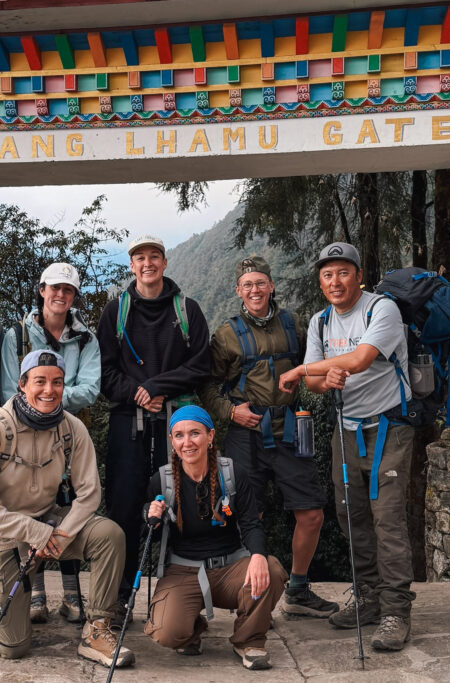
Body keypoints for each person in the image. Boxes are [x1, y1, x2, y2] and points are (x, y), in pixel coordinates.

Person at [0, 350, 133, 668]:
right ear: (22, 384)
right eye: (40, 381)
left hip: (49, 526)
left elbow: (89, 494)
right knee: (13, 646)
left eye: (57, 382)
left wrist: (60, 534)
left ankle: (97, 629)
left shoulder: (71, 429)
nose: (49, 390)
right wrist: (34, 532)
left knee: (109, 534)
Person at [277, 242, 415, 652]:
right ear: (320, 282)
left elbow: (360, 359)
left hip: (388, 426)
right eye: (327, 275)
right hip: (345, 426)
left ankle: (395, 612)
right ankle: (368, 597)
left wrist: (304, 369)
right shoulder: (320, 323)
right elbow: (318, 384)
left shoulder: (381, 310)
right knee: (350, 515)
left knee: (387, 518)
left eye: (342, 272)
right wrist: (321, 378)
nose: (335, 282)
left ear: (358, 275)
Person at [199, 256, 337, 618]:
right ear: (238, 291)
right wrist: (230, 411)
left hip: (291, 428)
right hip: (246, 434)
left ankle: (298, 589)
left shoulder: (293, 325)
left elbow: (316, 363)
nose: (255, 290)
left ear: (271, 286)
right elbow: (208, 385)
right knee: (246, 512)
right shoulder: (226, 335)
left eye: (260, 283)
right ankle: (249, 597)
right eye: (247, 285)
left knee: (311, 513)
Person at [97, 234, 211, 617]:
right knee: (124, 509)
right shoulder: (116, 312)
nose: (148, 263)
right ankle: (119, 599)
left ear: (165, 263)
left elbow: (200, 365)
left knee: (182, 506)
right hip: (128, 421)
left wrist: (154, 388)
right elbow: (105, 375)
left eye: (155, 256)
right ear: (132, 265)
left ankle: (179, 600)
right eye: (140, 257)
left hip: (176, 423)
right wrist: (140, 394)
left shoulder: (187, 310)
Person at [144, 405, 287, 670]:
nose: (187, 442)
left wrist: (257, 555)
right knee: (167, 632)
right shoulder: (161, 481)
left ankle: (249, 640)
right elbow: (149, 538)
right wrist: (150, 516)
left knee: (272, 569)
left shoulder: (232, 474)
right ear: (171, 440)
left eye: (195, 433)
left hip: (230, 566)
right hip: (183, 569)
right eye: (179, 435)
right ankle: (192, 626)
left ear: (210, 436)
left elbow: (250, 524)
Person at [0, 262, 101, 624]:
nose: (60, 295)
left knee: (69, 505)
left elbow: (91, 389)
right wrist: (53, 393)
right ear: (42, 290)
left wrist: (46, 394)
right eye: (54, 288)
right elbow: (9, 390)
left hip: (70, 435)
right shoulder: (19, 334)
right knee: (31, 505)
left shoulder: (85, 338)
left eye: (68, 290)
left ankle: (73, 595)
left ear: (74, 297)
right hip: (25, 434)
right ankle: (37, 593)